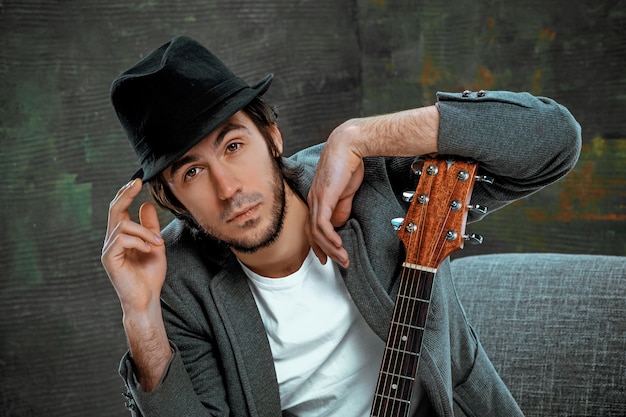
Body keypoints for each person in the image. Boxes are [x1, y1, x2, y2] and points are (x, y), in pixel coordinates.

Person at [101, 35, 581, 417]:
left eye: (233, 145)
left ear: (271, 136)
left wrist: (362, 135)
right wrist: (141, 319)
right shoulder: (176, 282)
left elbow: (554, 141)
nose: (227, 188)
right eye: (192, 171)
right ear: (170, 199)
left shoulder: (371, 180)